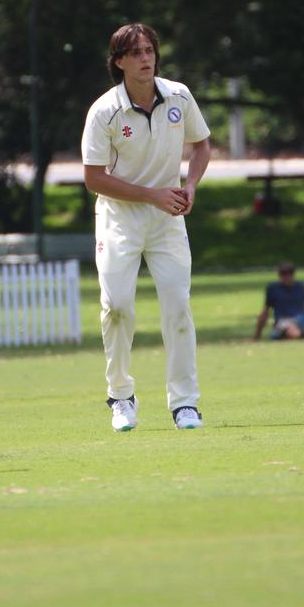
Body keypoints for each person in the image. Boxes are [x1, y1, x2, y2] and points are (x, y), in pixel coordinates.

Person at [81, 22, 211, 432]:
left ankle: (185, 403)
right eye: (135, 52)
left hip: (168, 216)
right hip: (119, 217)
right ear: (118, 62)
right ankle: (121, 396)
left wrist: (189, 185)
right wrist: (152, 194)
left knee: (177, 307)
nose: (145, 58)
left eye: (149, 50)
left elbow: (202, 144)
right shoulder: (105, 111)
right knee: (117, 307)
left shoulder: (179, 95)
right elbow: (93, 178)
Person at [254, 261, 304, 340]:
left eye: (290, 272)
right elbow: (265, 311)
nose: (287, 276)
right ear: (279, 274)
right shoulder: (272, 289)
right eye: (284, 273)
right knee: (293, 332)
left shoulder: (300, 287)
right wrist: (257, 335)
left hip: (301, 321)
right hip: (283, 322)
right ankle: (303, 334)